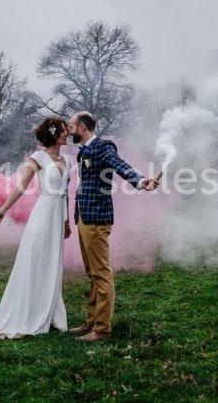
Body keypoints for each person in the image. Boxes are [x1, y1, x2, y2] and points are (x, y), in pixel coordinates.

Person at [0, 117, 72, 343]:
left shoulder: (68, 160)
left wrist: (66, 222)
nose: (67, 133)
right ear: (53, 134)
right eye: (63, 131)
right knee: (37, 261)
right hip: (43, 217)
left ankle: (50, 312)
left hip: (57, 218)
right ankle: (29, 313)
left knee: (54, 264)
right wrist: (1, 211)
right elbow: (21, 188)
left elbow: (65, 194)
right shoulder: (38, 158)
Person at [67, 111, 159, 342]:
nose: (69, 130)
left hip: (97, 219)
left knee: (101, 273)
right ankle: (91, 321)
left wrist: (140, 181)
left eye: (71, 126)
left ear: (81, 127)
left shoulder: (102, 146)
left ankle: (102, 329)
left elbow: (120, 165)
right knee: (92, 272)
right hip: (84, 217)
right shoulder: (84, 151)